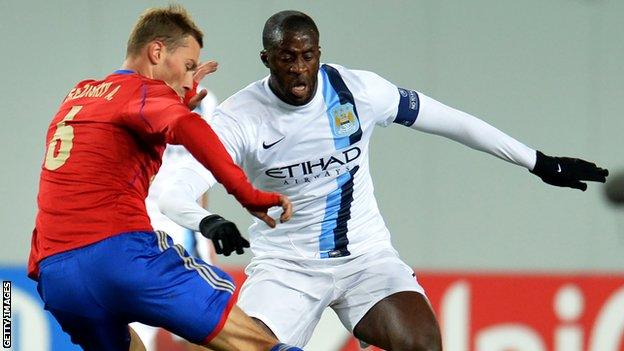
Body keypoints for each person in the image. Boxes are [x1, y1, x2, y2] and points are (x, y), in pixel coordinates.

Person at [158, 10, 609, 351]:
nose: (299, 68)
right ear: (266, 59)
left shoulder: (359, 92)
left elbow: (450, 121)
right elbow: (174, 187)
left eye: (308, 55)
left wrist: (537, 161)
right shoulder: (241, 118)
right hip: (287, 268)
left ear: (319, 52)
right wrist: (208, 220)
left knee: (425, 345)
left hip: (366, 259)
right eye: (286, 57)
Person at [28, 4, 301, 351]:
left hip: (56, 276)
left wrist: (172, 103)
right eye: (188, 67)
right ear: (156, 51)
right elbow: (189, 127)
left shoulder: (77, 96)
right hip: (122, 256)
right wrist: (247, 193)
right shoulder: (142, 91)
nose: (190, 80)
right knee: (254, 340)